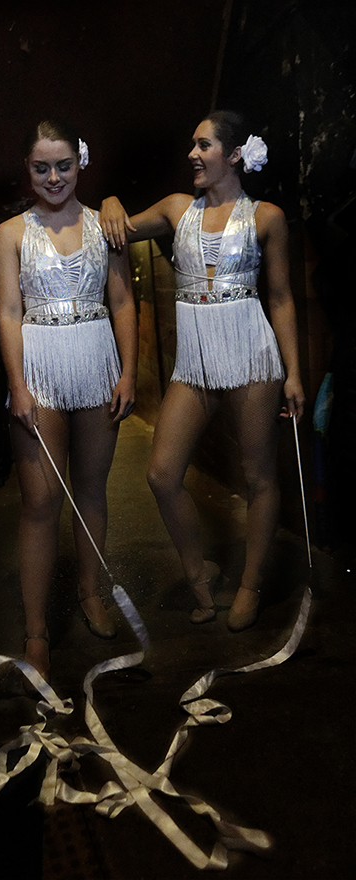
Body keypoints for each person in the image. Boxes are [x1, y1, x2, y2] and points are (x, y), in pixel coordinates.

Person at [100, 109, 305, 632]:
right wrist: (109, 199)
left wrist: (294, 373)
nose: (193, 154)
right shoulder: (175, 210)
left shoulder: (266, 217)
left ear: (234, 155)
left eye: (204, 145)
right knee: (162, 473)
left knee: (259, 477)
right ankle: (199, 572)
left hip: (251, 356)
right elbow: (113, 230)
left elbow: (280, 298)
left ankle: (250, 586)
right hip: (194, 363)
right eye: (192, 144)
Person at [0, 120, 138, 680]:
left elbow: (122, 300)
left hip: (97, 361)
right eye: (40, 167)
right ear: (27, 170)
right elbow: (8, 312)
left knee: (93, 489)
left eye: (63, 165)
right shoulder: (9, 233)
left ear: (81, 163)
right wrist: (18, 386)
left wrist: (127, 372)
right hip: (41, 369)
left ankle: (90, 592)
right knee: (39, 503)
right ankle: (35, 631)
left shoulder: (107, 224)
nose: (53, 177)